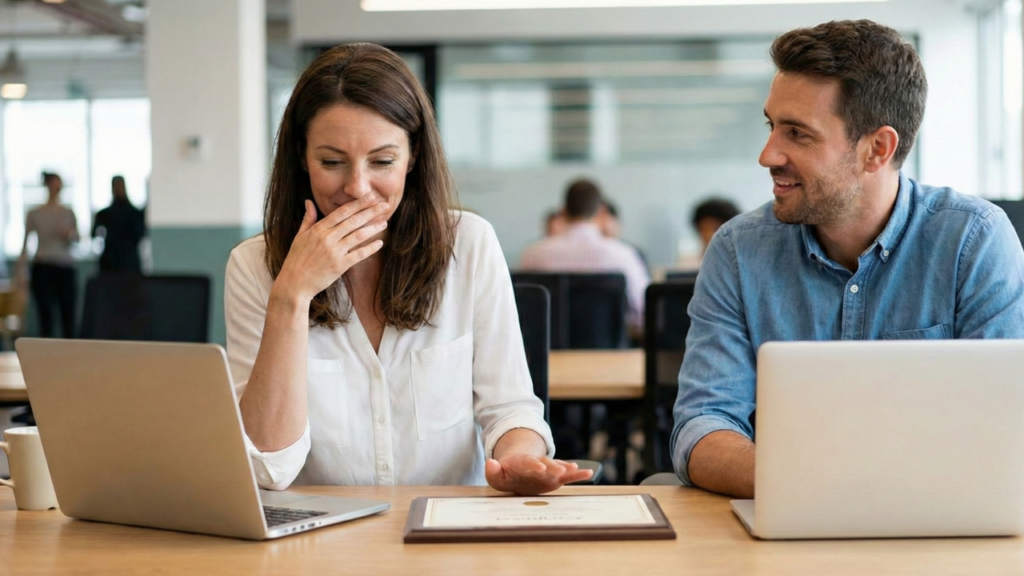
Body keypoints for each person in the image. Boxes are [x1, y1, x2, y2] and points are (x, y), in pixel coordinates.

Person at [671, 19, 1024, 498]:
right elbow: (702, 424)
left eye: (797, 133)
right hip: (783, 523)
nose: (767, 154)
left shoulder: (973, 240)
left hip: (937, 522)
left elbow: (1004, 425)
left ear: (877, 149)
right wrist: (811, 486)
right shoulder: (738, 250)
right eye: (772, 126)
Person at [224, 43, 590, 495]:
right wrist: (291, 297)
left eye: (382, 161)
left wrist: (518, 458)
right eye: (332, 162)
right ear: (302, 158)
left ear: (413, 156)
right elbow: (268, 468)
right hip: (319, 544)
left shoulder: (468, 245)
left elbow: (509, 407)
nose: (357, 188)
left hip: (451, 537)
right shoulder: (253, 266)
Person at [519, 179, 650, 331]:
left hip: (550, 351)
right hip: (611, 351)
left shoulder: (533, 254)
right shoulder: (622, 255)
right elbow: (644, 311)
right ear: (601, 211)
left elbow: (522, 309)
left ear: (563, 211)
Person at [18, 172, 79, 338]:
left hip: (65, 267)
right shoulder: (35, 212)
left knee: (68, 317)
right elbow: (25, 244)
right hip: (43, 266)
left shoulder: (68, 212)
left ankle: (70, 356)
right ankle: (45, 358)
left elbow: (77, 238)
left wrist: (69, 234)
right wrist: (21, 272)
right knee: (46, 318)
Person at [92, 175, 147, 273]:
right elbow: (94, 234)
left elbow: (140, 235)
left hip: (129, 264)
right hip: (110, 263)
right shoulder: (104, 214)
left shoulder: (135, 214)